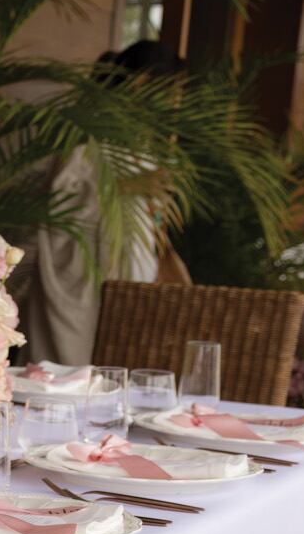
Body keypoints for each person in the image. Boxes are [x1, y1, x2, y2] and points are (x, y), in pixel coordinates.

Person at [17, 39, 189, 364]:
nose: (174, 103)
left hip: (129, 276)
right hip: (82, 276)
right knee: (69, 378)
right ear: (143, 82)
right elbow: (57, 200)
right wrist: (125, 186)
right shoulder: (85, 125)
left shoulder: (138, 135)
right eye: (169, 91)